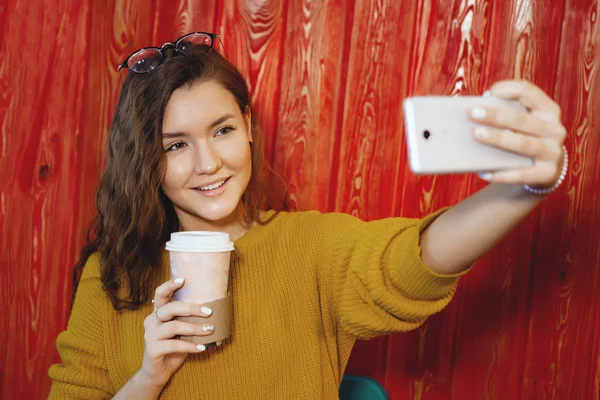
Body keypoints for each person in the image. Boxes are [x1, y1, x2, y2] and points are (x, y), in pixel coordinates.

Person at [47, 32, 568, 399]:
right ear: (147, 158)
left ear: (247, 125)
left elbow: (412, 260)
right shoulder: (111, 274)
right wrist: (148, 378)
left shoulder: (310, 248)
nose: (208, 163)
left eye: (222, 130)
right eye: (176, 144)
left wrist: (524, 188)